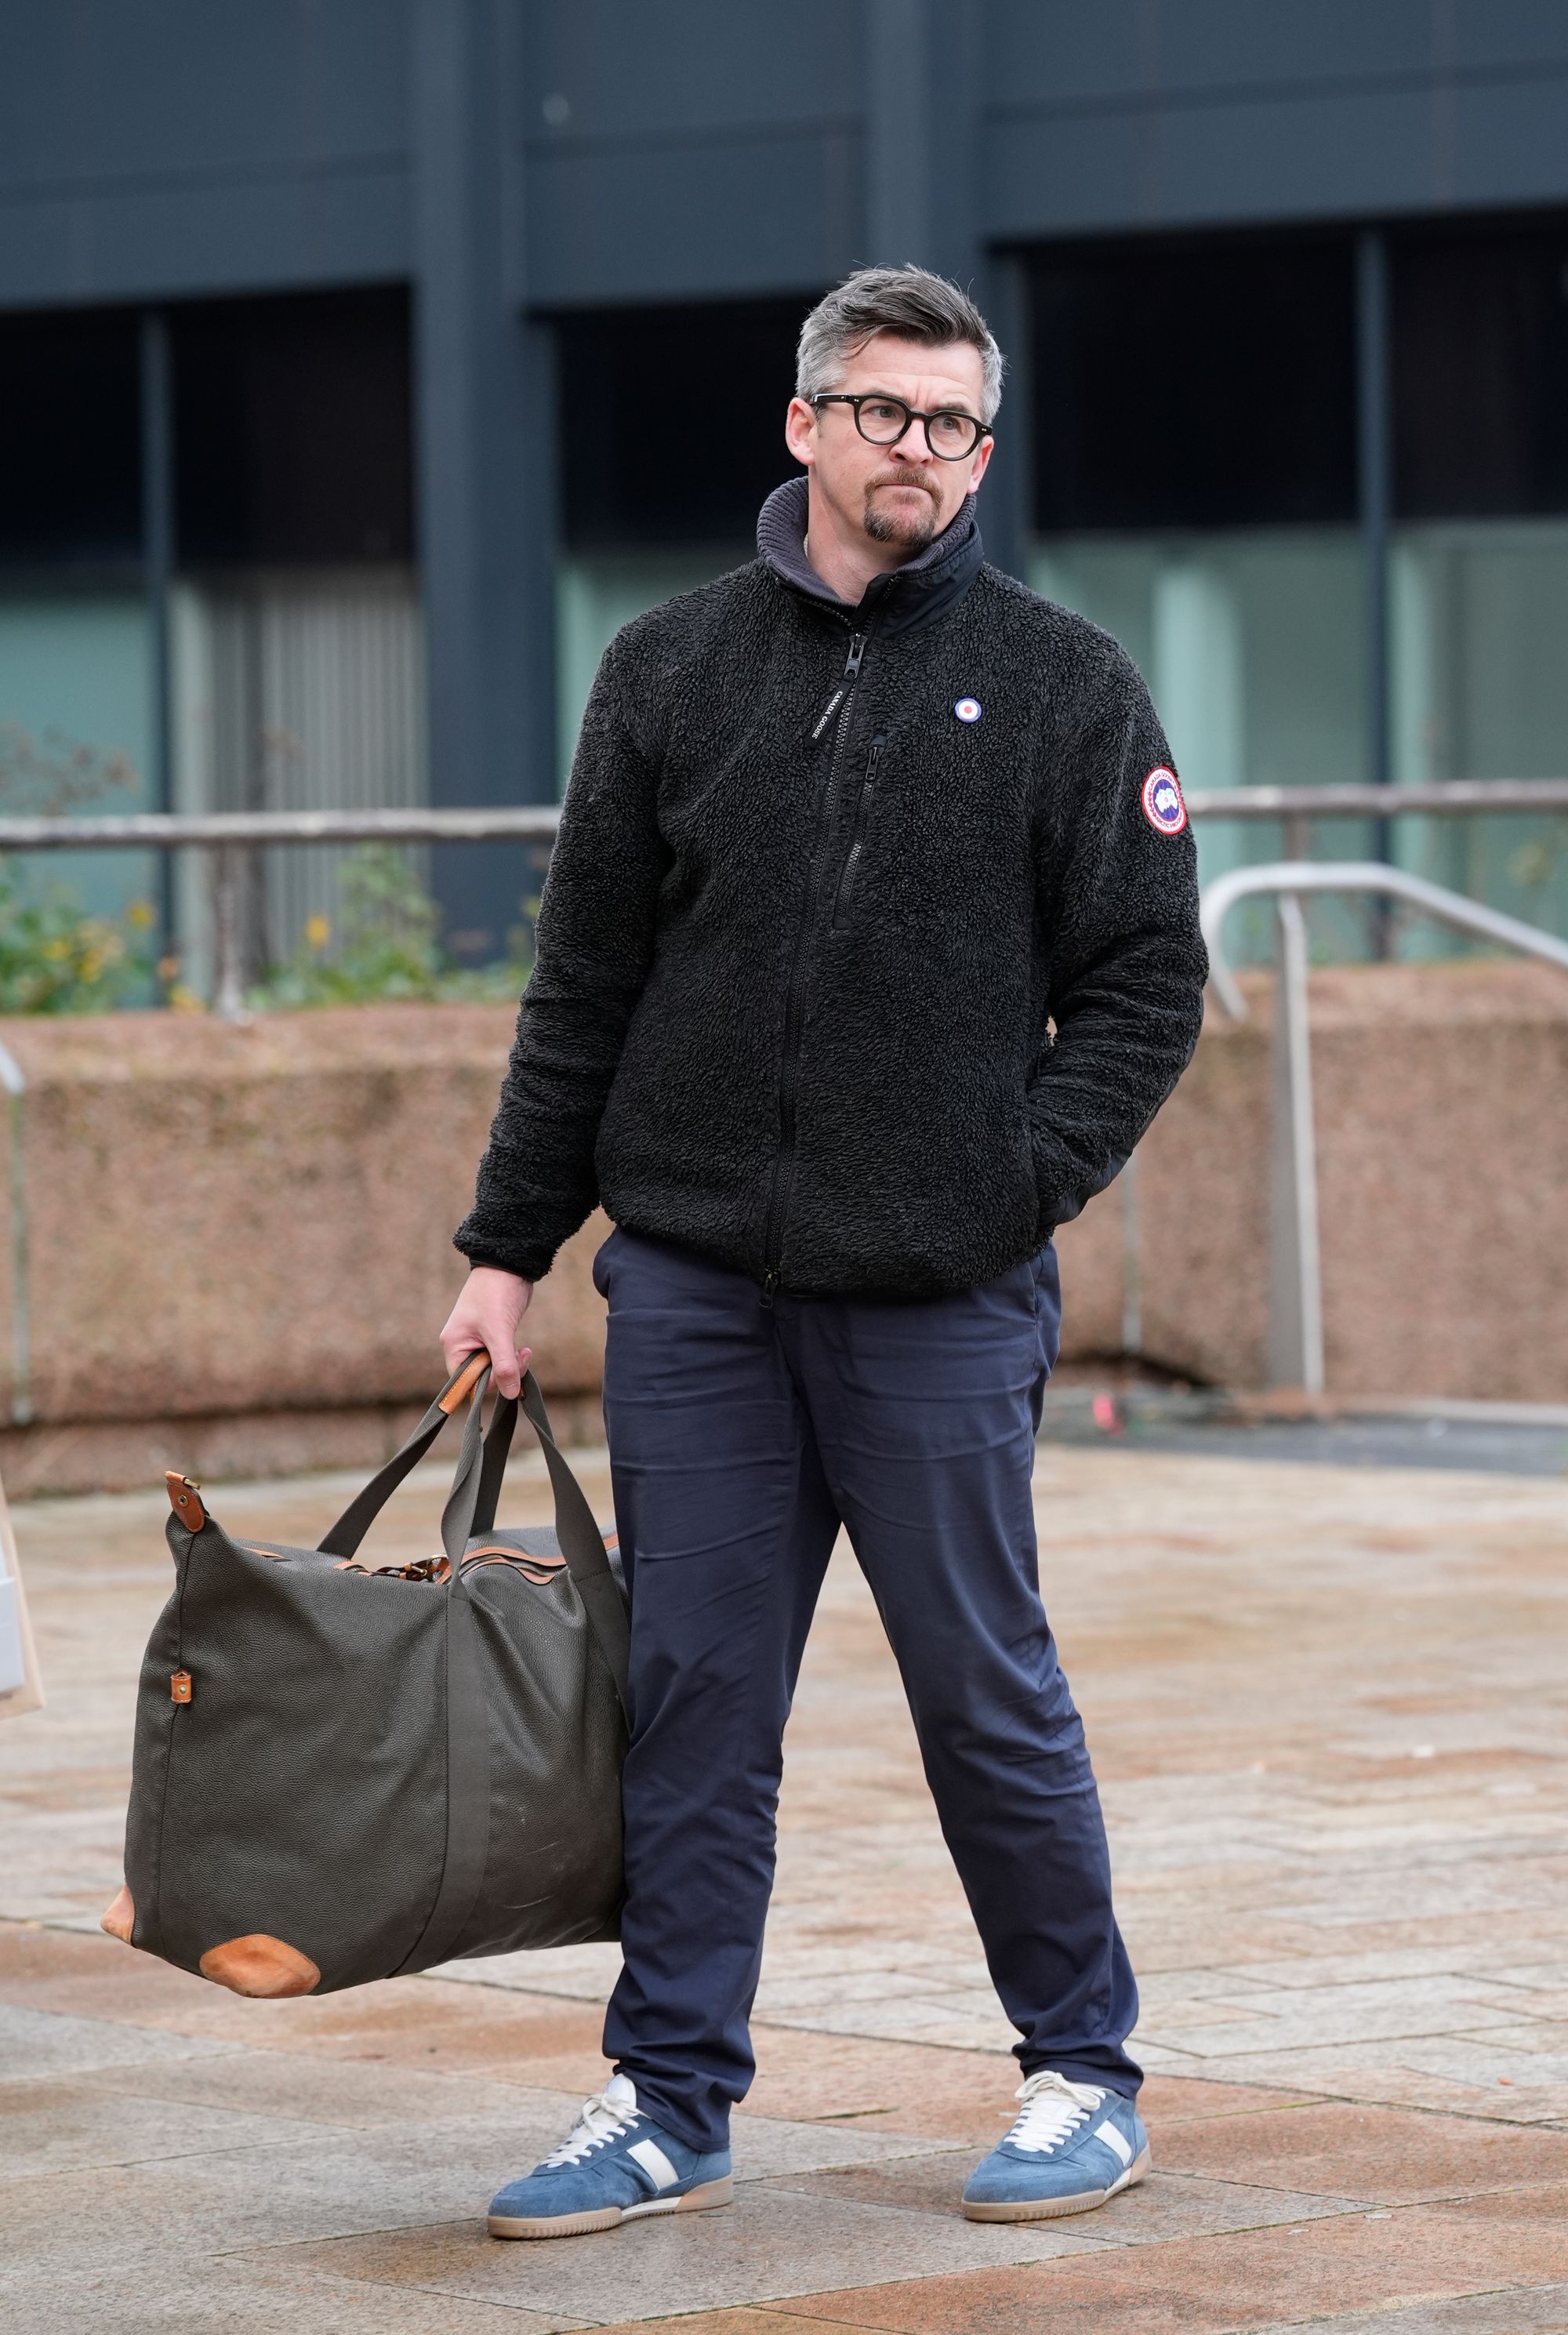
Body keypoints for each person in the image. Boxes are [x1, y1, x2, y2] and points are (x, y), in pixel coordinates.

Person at [442, 264, 1207, 2241]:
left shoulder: (1064, 685)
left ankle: (1081, 2072)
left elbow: (1145, 980)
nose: (922, 456)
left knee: (984, 1687)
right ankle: (669, 2096)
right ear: (805, 422)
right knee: (694, 1699)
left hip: (938, 1295)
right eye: (886, 413)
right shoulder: (668, 667)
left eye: (957, 425)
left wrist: (1003, 1184)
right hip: (694, 1285)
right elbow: (583, 980)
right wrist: (505, 1249)